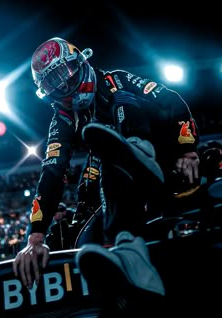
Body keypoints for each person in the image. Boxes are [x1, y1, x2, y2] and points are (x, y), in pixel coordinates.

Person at [13, 37, 199, 310]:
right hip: (122, 181)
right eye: (54, 83)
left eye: (64, 73)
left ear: (80, 61)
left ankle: (140, 152)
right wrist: (36, 236)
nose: (64, 86)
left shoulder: (117, 81)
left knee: (121, 109)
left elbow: (171, 100)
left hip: (167, 165)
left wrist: (187, 150)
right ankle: (128, 259)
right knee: (88, 239)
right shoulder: (62, 118)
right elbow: (51, 172)